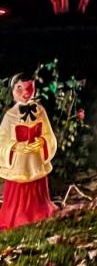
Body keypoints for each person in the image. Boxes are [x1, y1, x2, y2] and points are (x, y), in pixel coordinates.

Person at [0, 75, 57, 230]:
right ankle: (18, 216)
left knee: (37, 187)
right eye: (20, 88)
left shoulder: (40, 111)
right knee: (18, 190)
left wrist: (43, 142)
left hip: (35, 161)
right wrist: (15, 147)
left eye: (29, 87)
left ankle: (39, 212)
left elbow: (48, 134)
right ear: (13, 90)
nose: (25, 92)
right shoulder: (10, 116)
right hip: (19, 165)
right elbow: (2, 140)